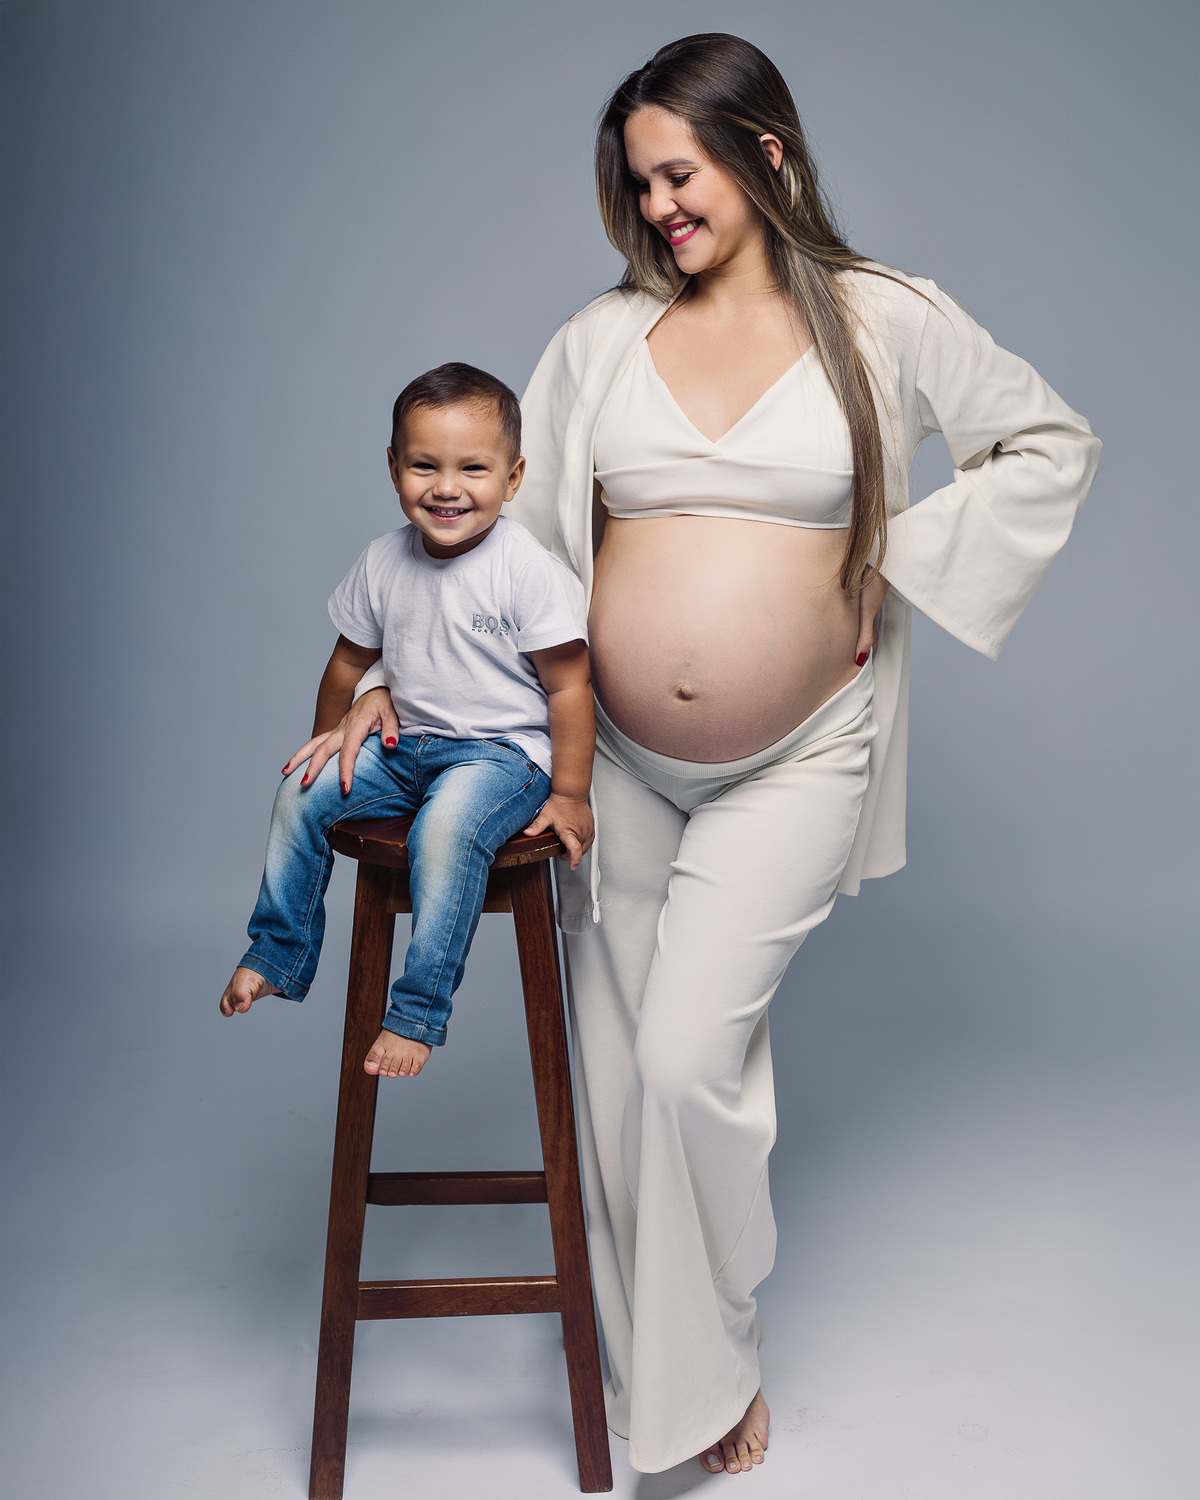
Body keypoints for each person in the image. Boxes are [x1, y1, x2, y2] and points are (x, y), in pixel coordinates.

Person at [309, 32, 1101, 1478]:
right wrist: (394, 689)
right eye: (640, 184)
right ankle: (679, 1384)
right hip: (605, 762)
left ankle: (715, 1331)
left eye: (680, 174)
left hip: (798, 757)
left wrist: (895, 559)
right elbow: (501, 552)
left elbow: (1047, 443)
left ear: (765, 152)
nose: (659, 206)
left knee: (687, 1064)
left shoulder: (881, 316)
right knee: (619, 1080)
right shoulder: (603, 339)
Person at [219, 363, 593, 1079]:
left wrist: (571, 793)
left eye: (473, 469)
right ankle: (276, 951)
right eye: (425, 466)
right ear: (394, 467)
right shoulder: (382, 561)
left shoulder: (526, 570)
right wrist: (331, 739)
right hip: (406, 747)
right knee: (301, 791)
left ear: (513, 477)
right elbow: (345, 664)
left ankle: (417, 1011)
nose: (447, 487)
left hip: (501, 757)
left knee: (443, 830)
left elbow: (571, 687)